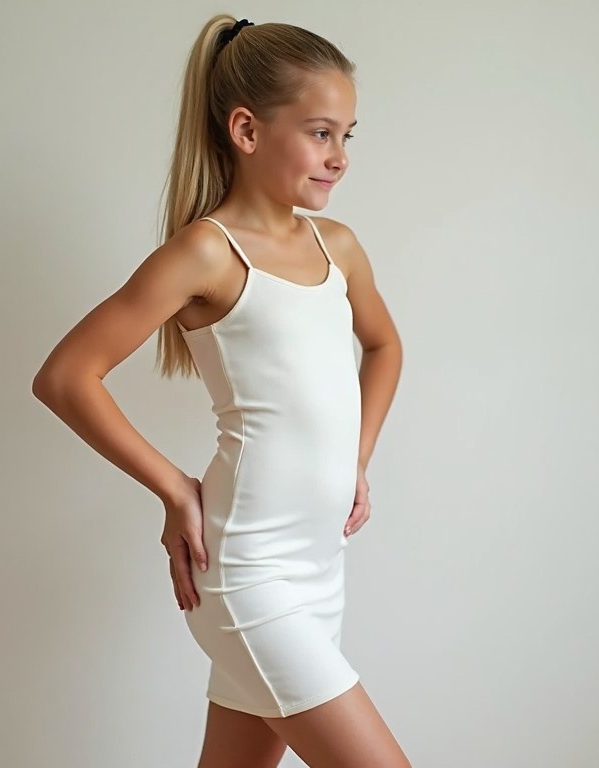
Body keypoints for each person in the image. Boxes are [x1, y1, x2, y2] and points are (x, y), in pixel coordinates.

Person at [32, 14, 408, 768]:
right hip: (246, 573)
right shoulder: (208, 252)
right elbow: (66, 375)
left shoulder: (338, 249)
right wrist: (174, 488)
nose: (338, 157)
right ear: (245, 129)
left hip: (317, 571)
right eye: (320, 133)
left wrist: (354, 459)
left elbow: (385, 346)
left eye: (347, 136)